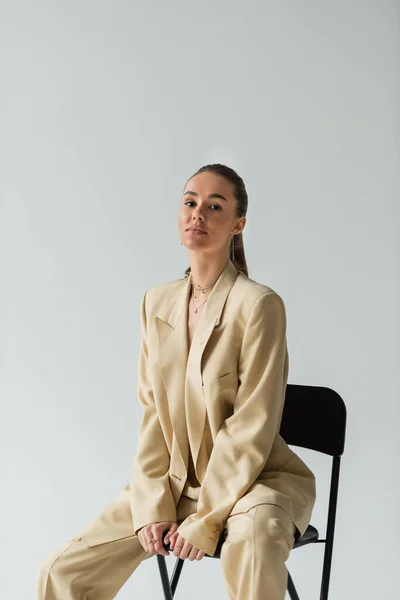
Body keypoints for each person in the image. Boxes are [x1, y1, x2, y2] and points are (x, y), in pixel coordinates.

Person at [37, 163, 316, 600]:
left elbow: (251, 427)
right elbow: (153, 417)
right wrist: (151, 506)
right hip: (174, 483)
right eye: (190, 202)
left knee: (255, 543)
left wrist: (206, 518)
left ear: (238, 223)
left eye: (214, 205)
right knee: (62, 572)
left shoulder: (259, 305)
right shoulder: (156, 302)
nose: (197, 214)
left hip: (256, 484)